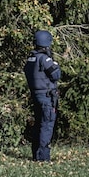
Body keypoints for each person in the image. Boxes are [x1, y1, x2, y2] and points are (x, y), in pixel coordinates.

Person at [24, 30, 62, 162]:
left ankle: (36, 155)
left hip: (36, 96)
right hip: (47, 98)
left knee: (38, 124)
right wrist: (55, 63)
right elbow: (56, 75)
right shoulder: (44, 59)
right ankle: (43, 158)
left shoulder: (31, 59)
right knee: (46, 126)